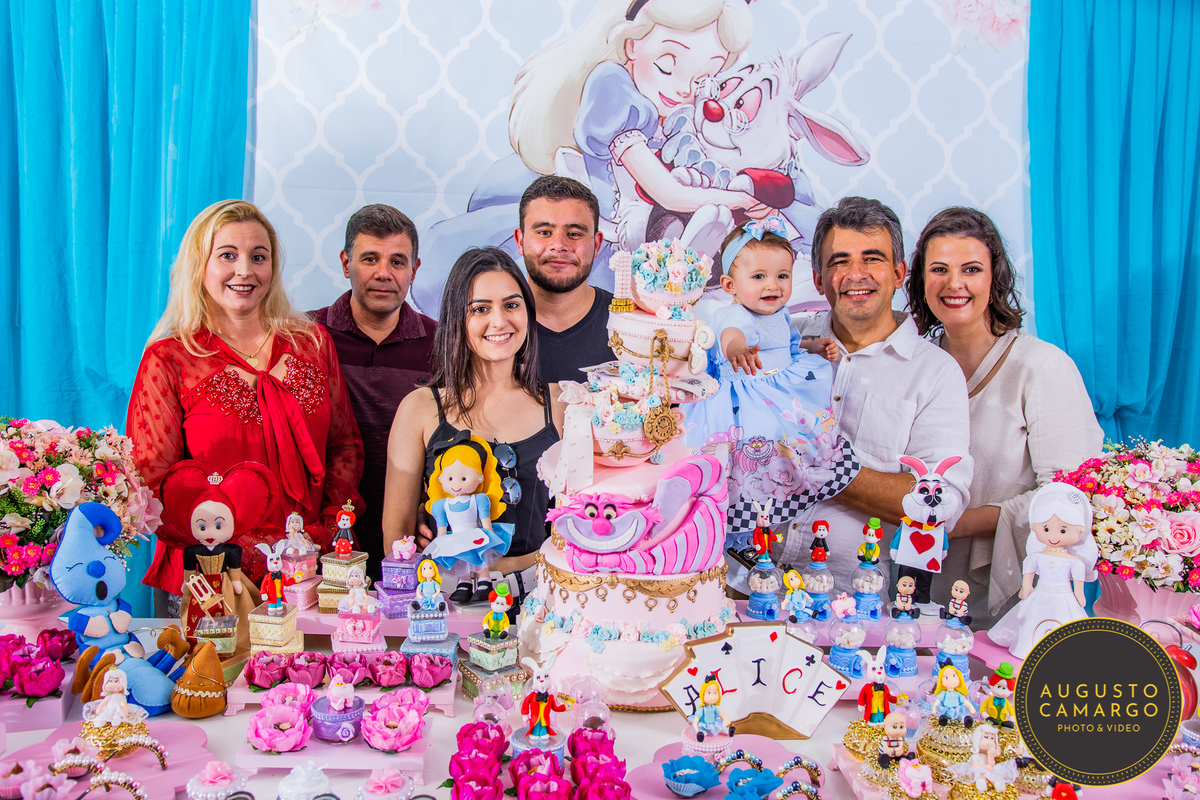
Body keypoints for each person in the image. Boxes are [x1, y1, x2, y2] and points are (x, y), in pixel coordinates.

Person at [128, 200, 364, 613]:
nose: (245, 271)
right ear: (199, 266)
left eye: (258, 257)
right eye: (227, 255)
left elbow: (344, 445)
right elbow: (153, 480)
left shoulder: (312, 343)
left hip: (309, 567)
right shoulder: (170, 358)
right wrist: (245, 547)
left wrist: (325, 529)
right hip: (212, 576)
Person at [906, 207, 1103, 625]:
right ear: (920, 281)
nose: (954, 283)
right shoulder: (913, 366)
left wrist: (952, 523)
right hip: (909, 585)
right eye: (939, 269)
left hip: (1013, 600)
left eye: (971, 269)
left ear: (995, 278)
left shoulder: (1042, 367)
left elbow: (1070, 497)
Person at [786, 197, 973, 592]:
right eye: (839, 262)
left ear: (899, 272)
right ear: (818, 279)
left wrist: (824, 466)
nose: (856, 275)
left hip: (848, 600)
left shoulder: (935, 373)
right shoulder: (781, 340)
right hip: (738, 580)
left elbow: (942, 503)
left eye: (872, 259)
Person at [382, 247, 565, 606]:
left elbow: (580, 527)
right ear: (456, 319)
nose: (499, 321)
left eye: (511, 305)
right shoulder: (419, 408)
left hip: (543, 601)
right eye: (480, 309)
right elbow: (397, 540)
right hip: (447, 602)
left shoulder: (562, 404)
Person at [685, 218, 851, 537]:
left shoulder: (779, 312)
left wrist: (811, 346)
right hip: (748, 396)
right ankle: (750, 511)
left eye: (782, 276)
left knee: (799, 436)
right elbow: (731, 335)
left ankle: (795, 485)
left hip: (778, 385)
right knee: (755, 451)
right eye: (759, 276)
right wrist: (737, 350)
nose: (772, 285)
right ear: (730, 285)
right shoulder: (733, 314)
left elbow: (785, 344)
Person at [310, 205, 436, 577]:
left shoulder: (442, 344)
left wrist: (433, 505)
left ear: (414, 270)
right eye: (370, 259)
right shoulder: (305, 336)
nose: (384, 273)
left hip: (412, 538)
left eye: (397, 262)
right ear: (345, 263)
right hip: (318, 539)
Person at [514, 176, 616, 382]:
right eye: (544, 232)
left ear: (596, 244)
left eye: (574, 234)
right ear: (520, 241)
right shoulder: (490, 327)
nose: (559, 245)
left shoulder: (633, 326)